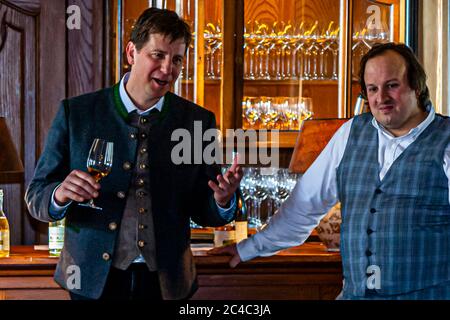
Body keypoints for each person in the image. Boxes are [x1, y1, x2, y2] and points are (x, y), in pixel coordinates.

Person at [25, 8, 242, 300]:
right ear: (131, 52)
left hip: (167, 282)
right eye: (158, 55)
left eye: (177, 59)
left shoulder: (196, 122)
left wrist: (222, 200)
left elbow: (203, 210)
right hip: (92, 282)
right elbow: (37, 195)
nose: (168, 69)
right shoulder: (77, 114)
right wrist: (60, 194)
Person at [211, 42, 450, 300]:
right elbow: (303, 206)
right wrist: (246, 249)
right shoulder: (350, 133)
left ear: (416, 85)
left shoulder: (445, 140)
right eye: (372, 89)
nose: (381, 98)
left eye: (392, 85)